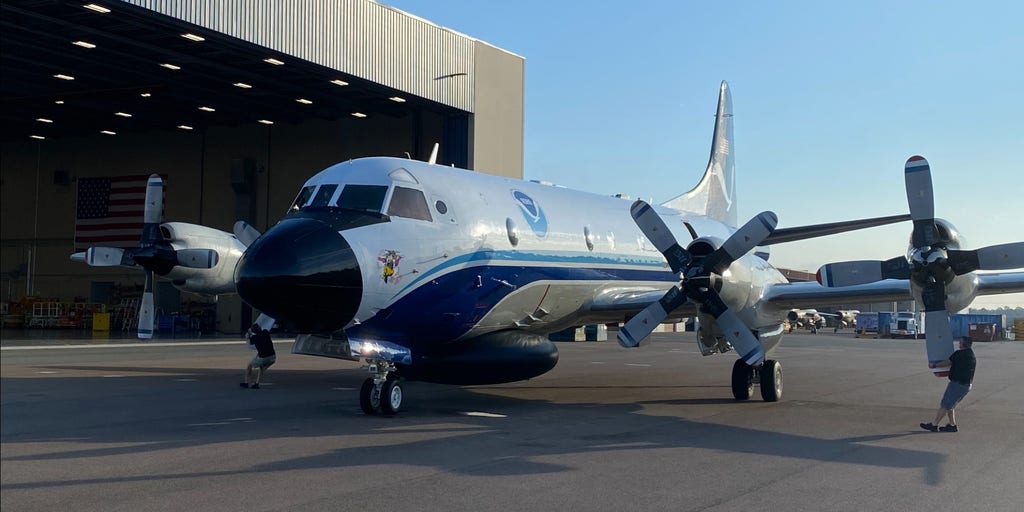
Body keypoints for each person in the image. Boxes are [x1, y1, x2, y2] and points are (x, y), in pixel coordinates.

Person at [920, 338, 976, 433]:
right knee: (950, 405)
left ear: (963, 344)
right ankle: (952, 425)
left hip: (958, 384)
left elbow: (947, 362)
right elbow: (957, 368)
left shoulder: (959, 354)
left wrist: (934, 366)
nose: (959, 343)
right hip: (965, 385)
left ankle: (934, 425)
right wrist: (941, 374)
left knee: (945, 404)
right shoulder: (970, 354)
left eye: (960, 342)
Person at [240, 323, 276, 389]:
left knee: (249, 365)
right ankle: (256, 383)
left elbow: (249, 343)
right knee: (261, 368)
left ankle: (246, 383)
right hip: (272, 357)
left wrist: (247, 337)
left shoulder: (255, 338)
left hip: (263, 358)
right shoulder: (266, 332)